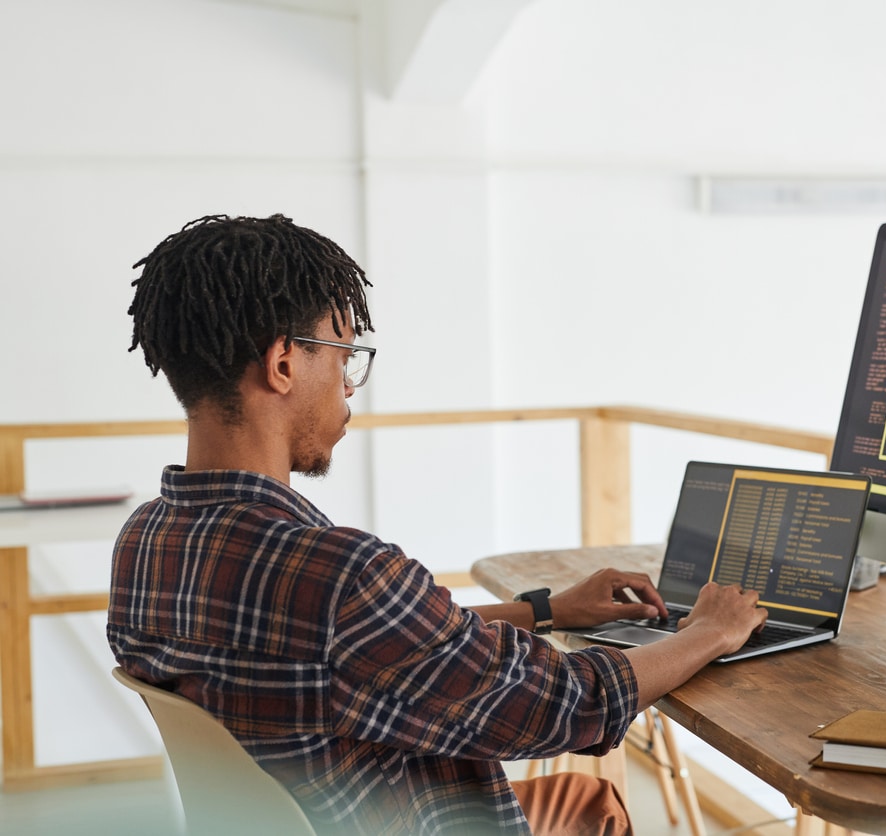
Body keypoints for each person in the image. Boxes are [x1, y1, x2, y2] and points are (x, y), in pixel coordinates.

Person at [108, 214, 767, 836]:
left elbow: (373, 650)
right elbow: (566, 703)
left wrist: (546, 609)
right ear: (283, 363)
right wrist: (710, 631)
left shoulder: (144, 542)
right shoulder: (341, 575)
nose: (348, 387)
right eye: (342, 359)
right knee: (590, 801)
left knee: (581, 803)